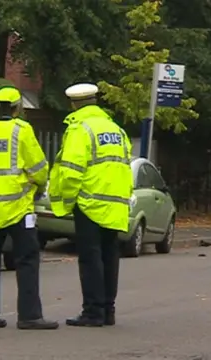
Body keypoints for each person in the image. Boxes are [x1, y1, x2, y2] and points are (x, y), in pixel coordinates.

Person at [0, 86, 59, 330]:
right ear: (18, 108)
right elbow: (39, 167)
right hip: (19, 208)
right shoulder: (22, 130)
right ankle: (29, 316)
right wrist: (37, 183)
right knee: (27, 260)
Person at [49, 83, 133, 327]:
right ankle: (108, 310)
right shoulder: (116, 130)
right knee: (110, 255)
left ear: (74, 104)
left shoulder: (79, 128)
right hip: (115, 202)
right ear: (95, 101)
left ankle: (92, 311)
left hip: (89, 202)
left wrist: (67, 199)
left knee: (90, 257)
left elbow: (72, 170)